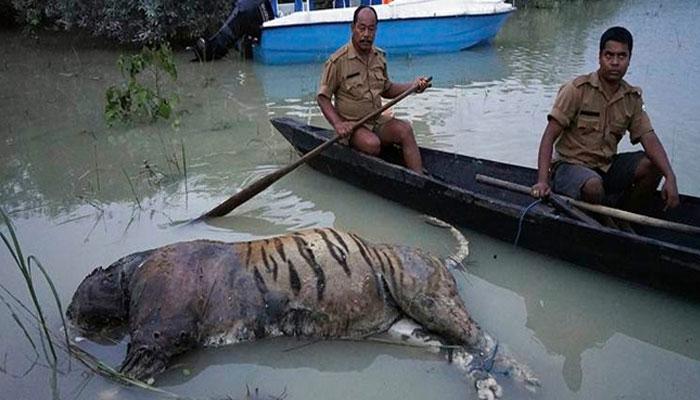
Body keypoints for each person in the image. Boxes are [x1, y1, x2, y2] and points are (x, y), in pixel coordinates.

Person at [531, 26, 679, 215]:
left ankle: (624, 217)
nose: (615, 62)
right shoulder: (577, 90)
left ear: (629, 59)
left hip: (605, 167)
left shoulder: (631, 98)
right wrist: (542, 181)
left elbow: (649, 138)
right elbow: (549, 136)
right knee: (593, 187)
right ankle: (605, 216)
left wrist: (670, 176)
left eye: (621, 56)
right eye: (609, 56)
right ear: (600, 57)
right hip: (570, 168)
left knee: (653, 165)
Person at [316, 5, 430, 174]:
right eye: (362, 28)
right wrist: (339, 124)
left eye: (371, 29)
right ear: (353, 28)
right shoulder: (338, 61)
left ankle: (419, 180)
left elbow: (387, 89)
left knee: (405, 130)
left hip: (377, 121)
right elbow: (323, 98)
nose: (366, 34)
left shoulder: (379, 57)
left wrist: (412, 87)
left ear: (376, 30)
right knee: (372, 144)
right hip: (353, 126)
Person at [189, 0, 275, 61]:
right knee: (232, 33)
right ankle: (208, 50)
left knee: (230, 33)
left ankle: (207, 50)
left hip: (249, 10)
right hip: (258, 13)